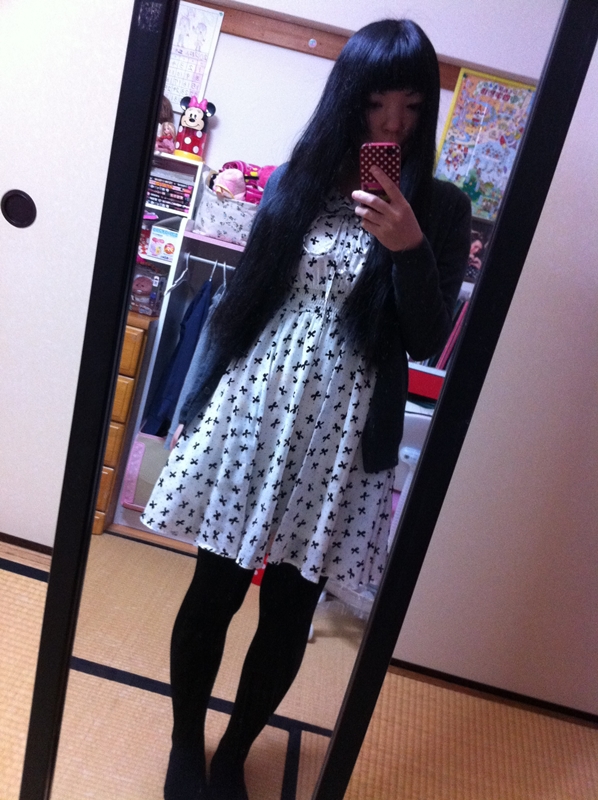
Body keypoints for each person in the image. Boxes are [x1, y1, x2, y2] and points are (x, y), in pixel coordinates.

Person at [141, 18, 471, 800]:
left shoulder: (441, 208)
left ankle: (233, 754)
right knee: (213, 592)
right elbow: (243, 305)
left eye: (411, 106)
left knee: (289, 612)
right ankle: (187, 743)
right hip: (254, 415)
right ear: (349, 100)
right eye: (377, 103)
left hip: (345, 441)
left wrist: (409, 247)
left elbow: (426, 340)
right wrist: (194, 404)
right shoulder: (296, 180)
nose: (393, 124)